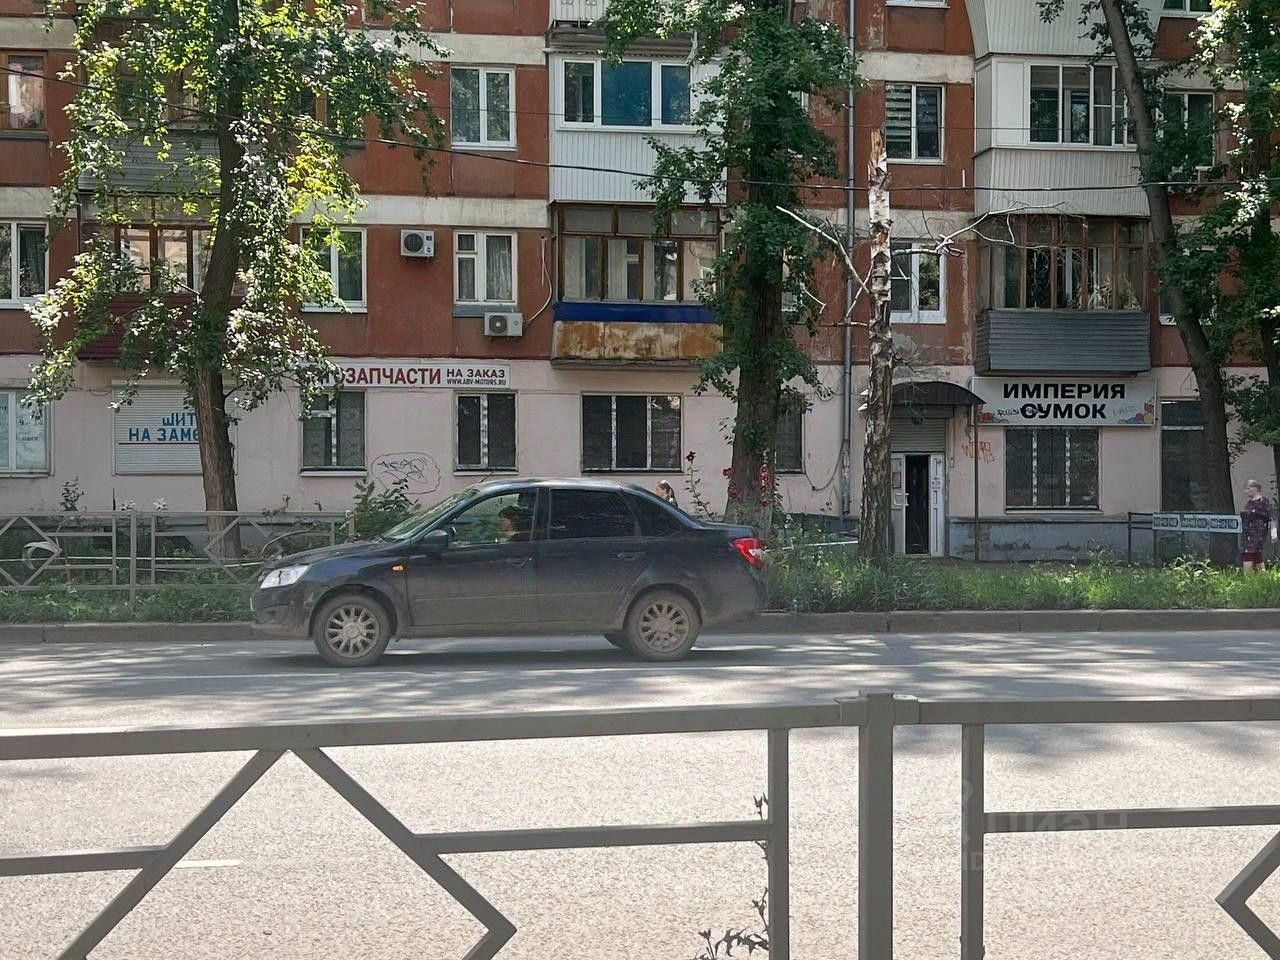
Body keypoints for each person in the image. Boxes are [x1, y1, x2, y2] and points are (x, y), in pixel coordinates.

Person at [1239, 479, 1277, 572]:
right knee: (1256, 555)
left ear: (1255, 488)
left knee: (1248, 555)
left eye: (1248, 488)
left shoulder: (1263, 501)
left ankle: (1248, 577)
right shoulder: (1249, 503)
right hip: (1247, 534)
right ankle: (1263, 576)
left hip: (1257, 534)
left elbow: (1271, 517)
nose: (1246, 491)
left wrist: (1273, 532)